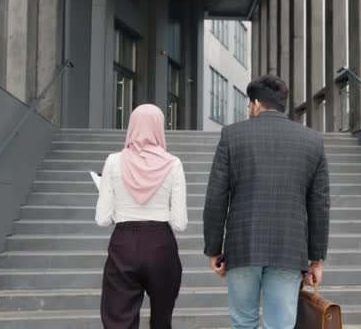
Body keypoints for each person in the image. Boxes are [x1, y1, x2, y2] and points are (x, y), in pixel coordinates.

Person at [203, 75, 331, 329]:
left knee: (243, 322)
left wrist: (214, 249)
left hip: (242, 246)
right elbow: (319, 204)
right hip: (288, 248)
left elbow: (216, 196)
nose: (249, 109)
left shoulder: (232, 135)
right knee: (281, 325)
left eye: (249, 104)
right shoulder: (312, 141)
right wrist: (316, 258)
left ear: (257, 103)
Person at [95, 104, 188, 329]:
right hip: (161, 245)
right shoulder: (173, 164)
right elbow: (180, 223)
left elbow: (102, 219)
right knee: (161, 319)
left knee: (118, 319)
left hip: (123, 244)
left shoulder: (113, 162)